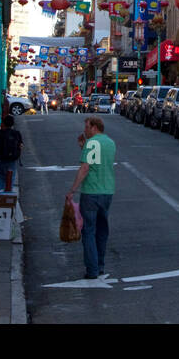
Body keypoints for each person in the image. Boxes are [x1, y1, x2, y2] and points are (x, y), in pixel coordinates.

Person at [67, 116, 116, 280]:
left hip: (91, 192)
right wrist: (83, 148)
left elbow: (86, 167)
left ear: (94, 127)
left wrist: (72, 189)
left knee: (88, 231)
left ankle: (92, 269)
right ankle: (100, 265)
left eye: (87, 127)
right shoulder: (110, 143)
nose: (85, 130)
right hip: (107, 191)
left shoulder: (91, 143)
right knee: (102, 230)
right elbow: (99, 161)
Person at [0, 114, 23, 193]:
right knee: (11, 177)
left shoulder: (0, 133)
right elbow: (20, 145)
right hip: (12, 158)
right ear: (12, 123)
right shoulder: (17, 133)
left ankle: (0, 194)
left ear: (4, 123)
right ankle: (8, 195)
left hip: (2, 158)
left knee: (1, 177)